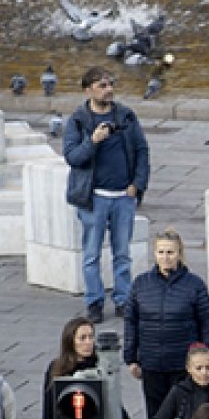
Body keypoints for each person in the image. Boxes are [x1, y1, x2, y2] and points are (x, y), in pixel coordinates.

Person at [62, 65, 150, 323]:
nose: (108, 89)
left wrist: (137, 184)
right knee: (91, 254)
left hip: (123, 196)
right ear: (88, 89)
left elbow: (142, 150)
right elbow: (73, 157)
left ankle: (123, 300)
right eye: (102, 85)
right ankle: (94, 301)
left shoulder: (126, 116)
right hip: (93, 198)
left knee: (122, 253)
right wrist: (93, 140)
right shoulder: (78, 120)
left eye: (110, 84)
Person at [125, 229, 209, 419]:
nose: (165, 257)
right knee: (156, 418)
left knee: (187, 417)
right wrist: (131, 357)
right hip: (152, 363)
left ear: (179, 253)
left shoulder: (194, 285)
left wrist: (207, 356)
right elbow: (131, 321)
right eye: (161, 252)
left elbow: (207, 321)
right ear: (155, 254)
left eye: (170, 252)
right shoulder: (141, 284)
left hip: (182, 363)